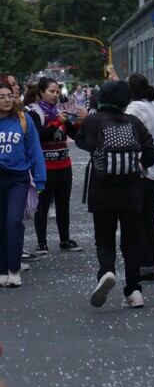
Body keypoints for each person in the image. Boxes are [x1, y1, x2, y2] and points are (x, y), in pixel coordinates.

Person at [75, 81, 154, 308]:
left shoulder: (94, 120)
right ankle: (134, 291)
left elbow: (82, 142)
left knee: (104, 238)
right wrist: (140, 165)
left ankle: (106, 272)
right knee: (131, 241)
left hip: (101, 191)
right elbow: (151, 151)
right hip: (132, 191)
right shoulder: (133, 122)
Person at [27, 77, 84, 255]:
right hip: (44, 166)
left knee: (63, 204)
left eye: (57, 92)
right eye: (51, 91)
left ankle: (65, 239)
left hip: (64, 164)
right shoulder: (34, 112)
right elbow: (39, 136)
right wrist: (57, 122)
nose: (55, 95)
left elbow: (75, 136)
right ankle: (41, 243)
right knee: (42, 205)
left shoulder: (61, 110)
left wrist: (78, 122)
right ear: (41, 93)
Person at [0, 82, 46, 288]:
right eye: (1, 96)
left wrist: (40, 179)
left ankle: (14, 269)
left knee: (13, 223)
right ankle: (2, 270)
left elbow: (34, 150)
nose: (7, 100)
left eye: (9, 96)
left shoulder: (23, 119)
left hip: (18, 179)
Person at [124, 74, 154, 282]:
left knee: (139, 217)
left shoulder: (133, 109)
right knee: (149, 214)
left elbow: (129, 135)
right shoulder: (152, 105)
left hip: (143, 164)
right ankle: (152, 263)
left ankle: (144, 262)